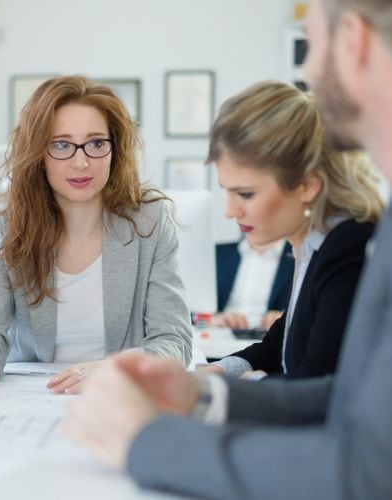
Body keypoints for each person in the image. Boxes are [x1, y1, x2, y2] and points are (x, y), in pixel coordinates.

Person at [65, 0, 392, 497]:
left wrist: (149, 440)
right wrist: (202, 391)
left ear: (352, 39)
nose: (305, 68)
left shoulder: (352, 243)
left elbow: (365, 466)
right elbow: (341, 397)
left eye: (311, 38)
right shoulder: (357, 237)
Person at [0, 76, 192, 394]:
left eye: (96, 143)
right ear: (38, 152)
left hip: (119, 396)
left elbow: (174, 341)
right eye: (61, 145)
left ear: (115, 149)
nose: (81, 162)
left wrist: (116, 369)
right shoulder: (9, 228)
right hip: (32, 398)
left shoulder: (150, 222)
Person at [198, 81, 380, 380]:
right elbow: (277, 345)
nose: (230, 211)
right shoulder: (311, 246)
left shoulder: (348, 248)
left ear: (307, 186)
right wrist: (213, 371)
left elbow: (315, 380)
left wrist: (216, 392)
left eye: (245, 194)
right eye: (226, 192)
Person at [214, 236, 293, 330]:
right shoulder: (217, 253)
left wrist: (290, 317)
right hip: (221, 334)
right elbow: (195, 310)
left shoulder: (300, 255)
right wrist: (211, 318)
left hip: (271, 337)